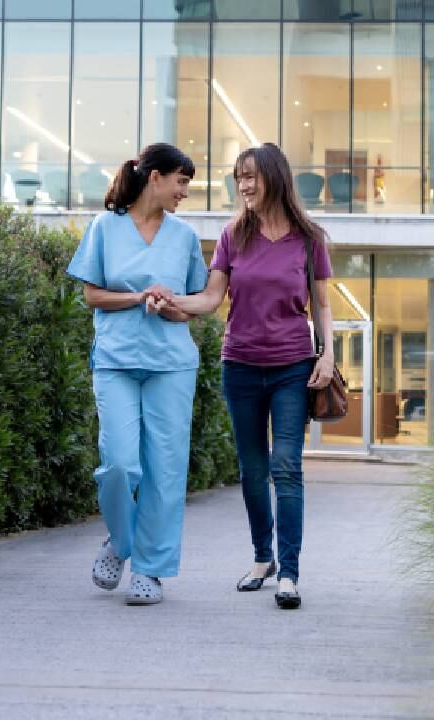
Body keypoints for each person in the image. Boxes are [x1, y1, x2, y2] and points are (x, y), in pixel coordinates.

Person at [166, 143, 334, 610]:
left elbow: (322, 304)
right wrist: (172, 303)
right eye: (239, 177)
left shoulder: (309, 239)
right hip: (239, 365)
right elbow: (210, 299)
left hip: (291, 367)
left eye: (252, 176)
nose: (244, 185)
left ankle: (290, 572)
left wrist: (328, 356)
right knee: (253, 469)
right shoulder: (232, 235)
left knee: (286, 465)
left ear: (275, 178)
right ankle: (263, 559)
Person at [66, 143, 208, 606]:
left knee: (165, 472)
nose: (185, 191)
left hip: (171, 363)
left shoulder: (184, 237)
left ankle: (150, 570)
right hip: (117, 361)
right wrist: (136, 297)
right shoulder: (105, 229)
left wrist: (169, 306)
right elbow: (91, 295)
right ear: (154, 178)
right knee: (120, 464)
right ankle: (121, 544)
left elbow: (191, 309)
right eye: (181, 181)